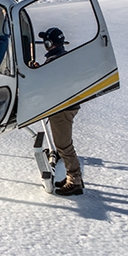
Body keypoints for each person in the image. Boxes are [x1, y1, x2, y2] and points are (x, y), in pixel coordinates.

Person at [36, 27, 84, 196]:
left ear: (49, 43)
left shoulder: (54, 60)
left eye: (45, 41)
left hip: (62, 109)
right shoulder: (63, 58)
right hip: (68, 106)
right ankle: (74, 176)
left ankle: (75, 181)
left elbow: (47, 84)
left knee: (63, 145)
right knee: (64, 144)